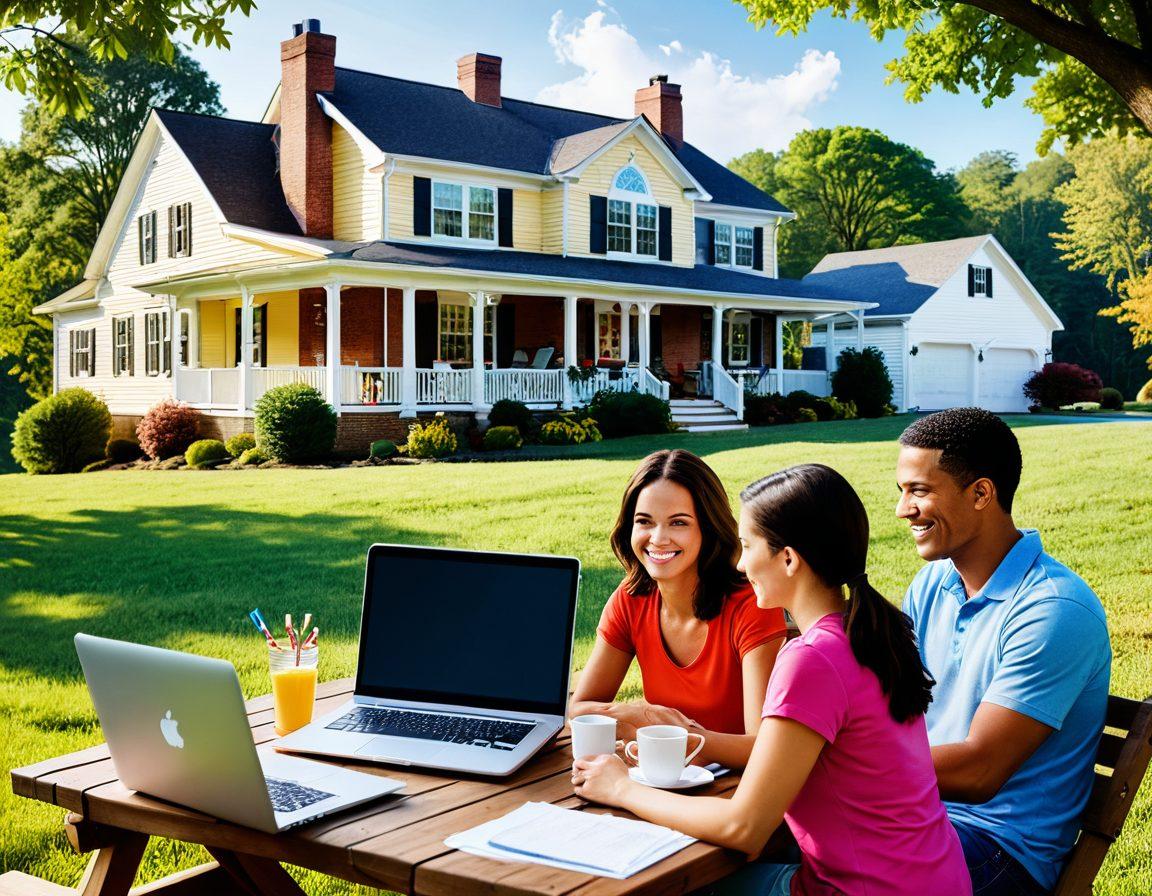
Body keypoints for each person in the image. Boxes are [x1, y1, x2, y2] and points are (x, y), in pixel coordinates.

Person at [574, 464, 971, 896]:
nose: (741, 563)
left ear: (788, 559)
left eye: (747, 546)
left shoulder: (813, 660)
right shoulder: (864, 633)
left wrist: (620, 788)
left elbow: (743, 828)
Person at [897, 408, 1111, 895]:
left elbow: (980, 771)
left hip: (998, 850)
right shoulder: (932, 584)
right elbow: (892, 698)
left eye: (919, 491)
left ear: (981, 494)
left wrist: (849, 765)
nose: (903, 509)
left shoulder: (1054, 610)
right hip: (921, 815)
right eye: (902, 491)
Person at [568, 449, 787, 769]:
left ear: (707, 529)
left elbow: (763, 747)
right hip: (664, 776)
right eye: (644, 521)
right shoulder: (631, 599)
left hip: (738, 785)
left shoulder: (750, 605)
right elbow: (579, 709)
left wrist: (679, 736)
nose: (658, 538)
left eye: (678, 523)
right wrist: (636, 713)